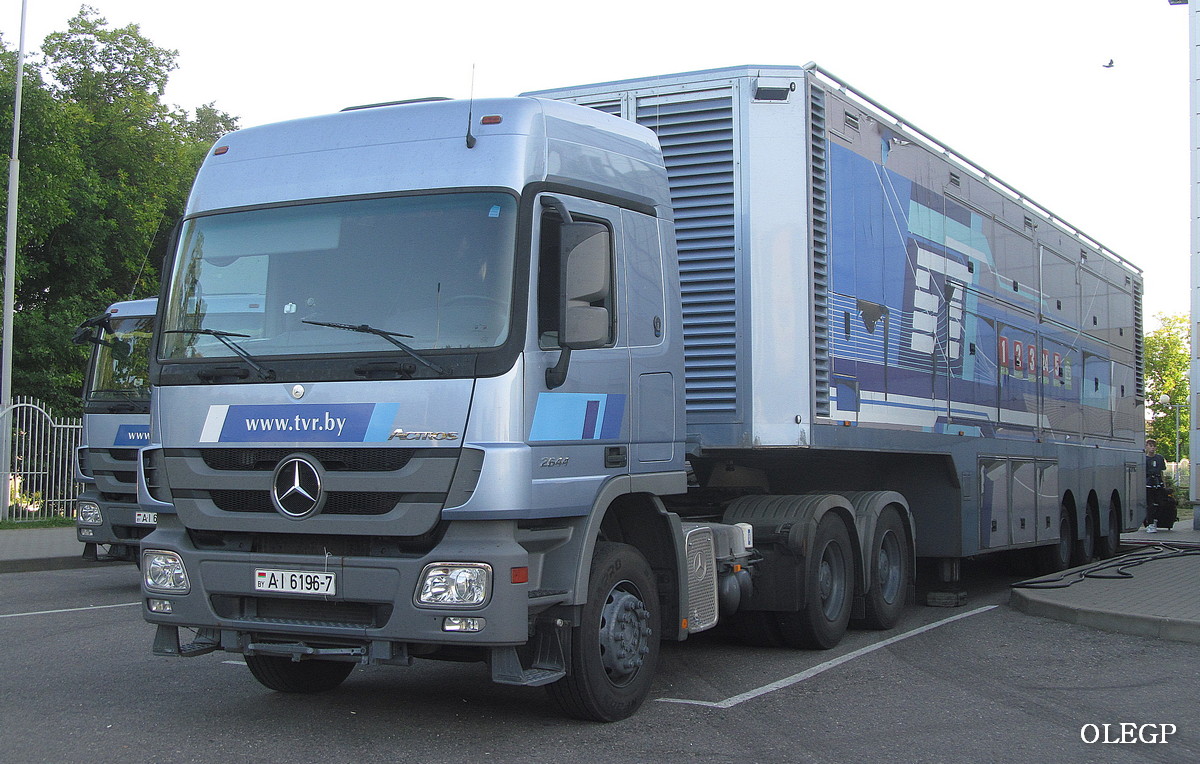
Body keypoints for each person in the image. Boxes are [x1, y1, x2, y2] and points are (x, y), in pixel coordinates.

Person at [1144, 439, 1173, 532]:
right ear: (1146, 447)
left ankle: (1156, 519)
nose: (1152, 448)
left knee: (1161, 503)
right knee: (1150, 504)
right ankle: (1150, 523)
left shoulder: (1159, 458)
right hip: (1148, 483)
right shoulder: (1145, 459)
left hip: (1158, 483)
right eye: (1150, 446)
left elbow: (1161, 472)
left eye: (1154, 446)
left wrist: (1164, 484)